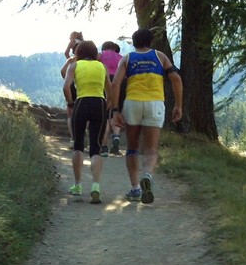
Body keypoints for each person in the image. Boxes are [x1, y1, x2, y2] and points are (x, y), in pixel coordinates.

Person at [110, 28, 183, 204]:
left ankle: (135, 189)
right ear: (150, 41)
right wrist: (178, 105)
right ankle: (147, 176)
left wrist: (115, 110)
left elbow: (116, 83)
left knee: (132, 148)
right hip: (154, 103)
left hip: (132, 103)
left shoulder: (127, 59)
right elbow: (176, 79)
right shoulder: (160, 56)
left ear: (134, 43)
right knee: (151, 149)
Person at [63, 40, 112, 204]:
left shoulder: (74, 65)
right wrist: (108, 106)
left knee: (78, 145)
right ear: (94, 52)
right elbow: (110, 90)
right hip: (99, 103)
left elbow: (66, 87)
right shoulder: (102, 67)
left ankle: (77, 185)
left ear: (79, 53)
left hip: (81, 103)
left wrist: (71, 103)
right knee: (96, 147)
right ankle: (95, 186)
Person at [98, 41, 124, 156]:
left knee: (105, 115)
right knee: (115, 112)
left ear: (103, 48)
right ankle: (116, 137)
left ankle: (103, 147)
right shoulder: (121, 57)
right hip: (120, 83)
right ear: (114, 48)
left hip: (106, 81)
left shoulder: (100, 56)